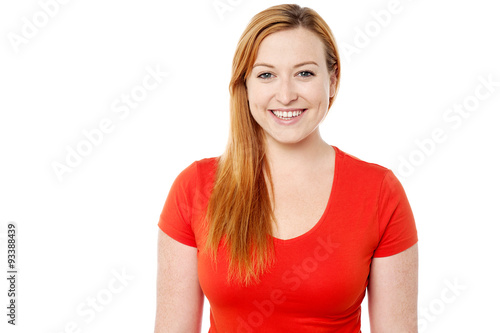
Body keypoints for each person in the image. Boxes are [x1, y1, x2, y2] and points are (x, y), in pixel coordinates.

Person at [154, 4, 418, 332]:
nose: (286, 94)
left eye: (304, 73)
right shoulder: (194, 188)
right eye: (266, 75)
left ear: (332, 81)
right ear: (245, 85)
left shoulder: (380, 192)